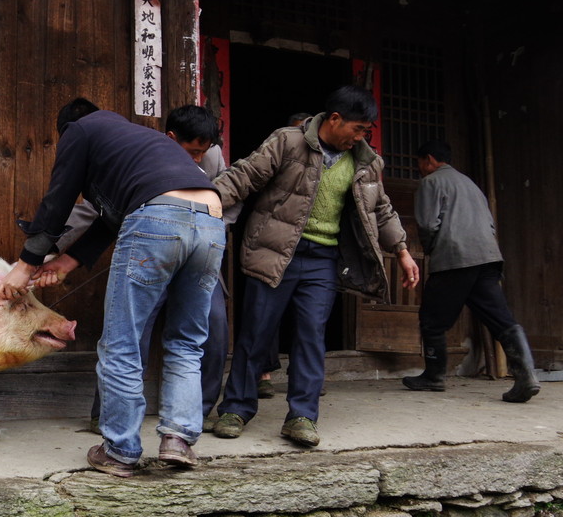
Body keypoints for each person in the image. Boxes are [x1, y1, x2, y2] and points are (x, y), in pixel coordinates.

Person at [0, 98, 225, 477]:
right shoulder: (137, 142)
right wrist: (66, 263)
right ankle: (178, 439)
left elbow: (59, 199)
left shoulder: (80, 129)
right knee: (187, 340)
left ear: (67, 129)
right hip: (211, 220)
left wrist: (26, 265)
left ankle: (120, 450)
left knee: (122, 341)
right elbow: (110, 219)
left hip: (158, 215)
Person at [210, 85, 419, 447]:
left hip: (322, 260)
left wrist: (401, 250)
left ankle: (302, 416)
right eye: (357, 129)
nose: (360, 137)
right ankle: (236, 409)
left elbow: (381, 208)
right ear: (334, 119)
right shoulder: (288, 142)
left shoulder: (367, 162)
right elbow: (246, 175)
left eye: (365, 132)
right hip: (275, 251)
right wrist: (205, 200)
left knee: (311, 335)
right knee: (256, 332)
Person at [75, 105, 229, 433]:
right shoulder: (144, 153)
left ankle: (186, 424)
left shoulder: (212, 157)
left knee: (208, 328)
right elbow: (95, 209)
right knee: (133, 334)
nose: (198, 160)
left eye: (204, 151)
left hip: (201, 242)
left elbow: (224, 196)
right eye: (193, 151)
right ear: (171, 138)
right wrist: (51, 249)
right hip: (155, 243)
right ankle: (106, 417)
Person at [402, 139, 539, 401]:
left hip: (455, 258)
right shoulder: (470, 184)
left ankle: (434, 376)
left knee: (432, 319)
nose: (419, 168)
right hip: (488, 256)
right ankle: (526, 377)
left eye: (420, 163)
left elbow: (428, 224)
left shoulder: (431, 182)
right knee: (501, 319)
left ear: (428, 160)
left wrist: (432, 250)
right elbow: (488, 222)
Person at [254, 111, 311, 400]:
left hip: (309, 250)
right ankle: (263, 373)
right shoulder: (280, 149)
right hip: (274, 245)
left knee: (309, 318)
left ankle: (302, 377)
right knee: (267, 315)